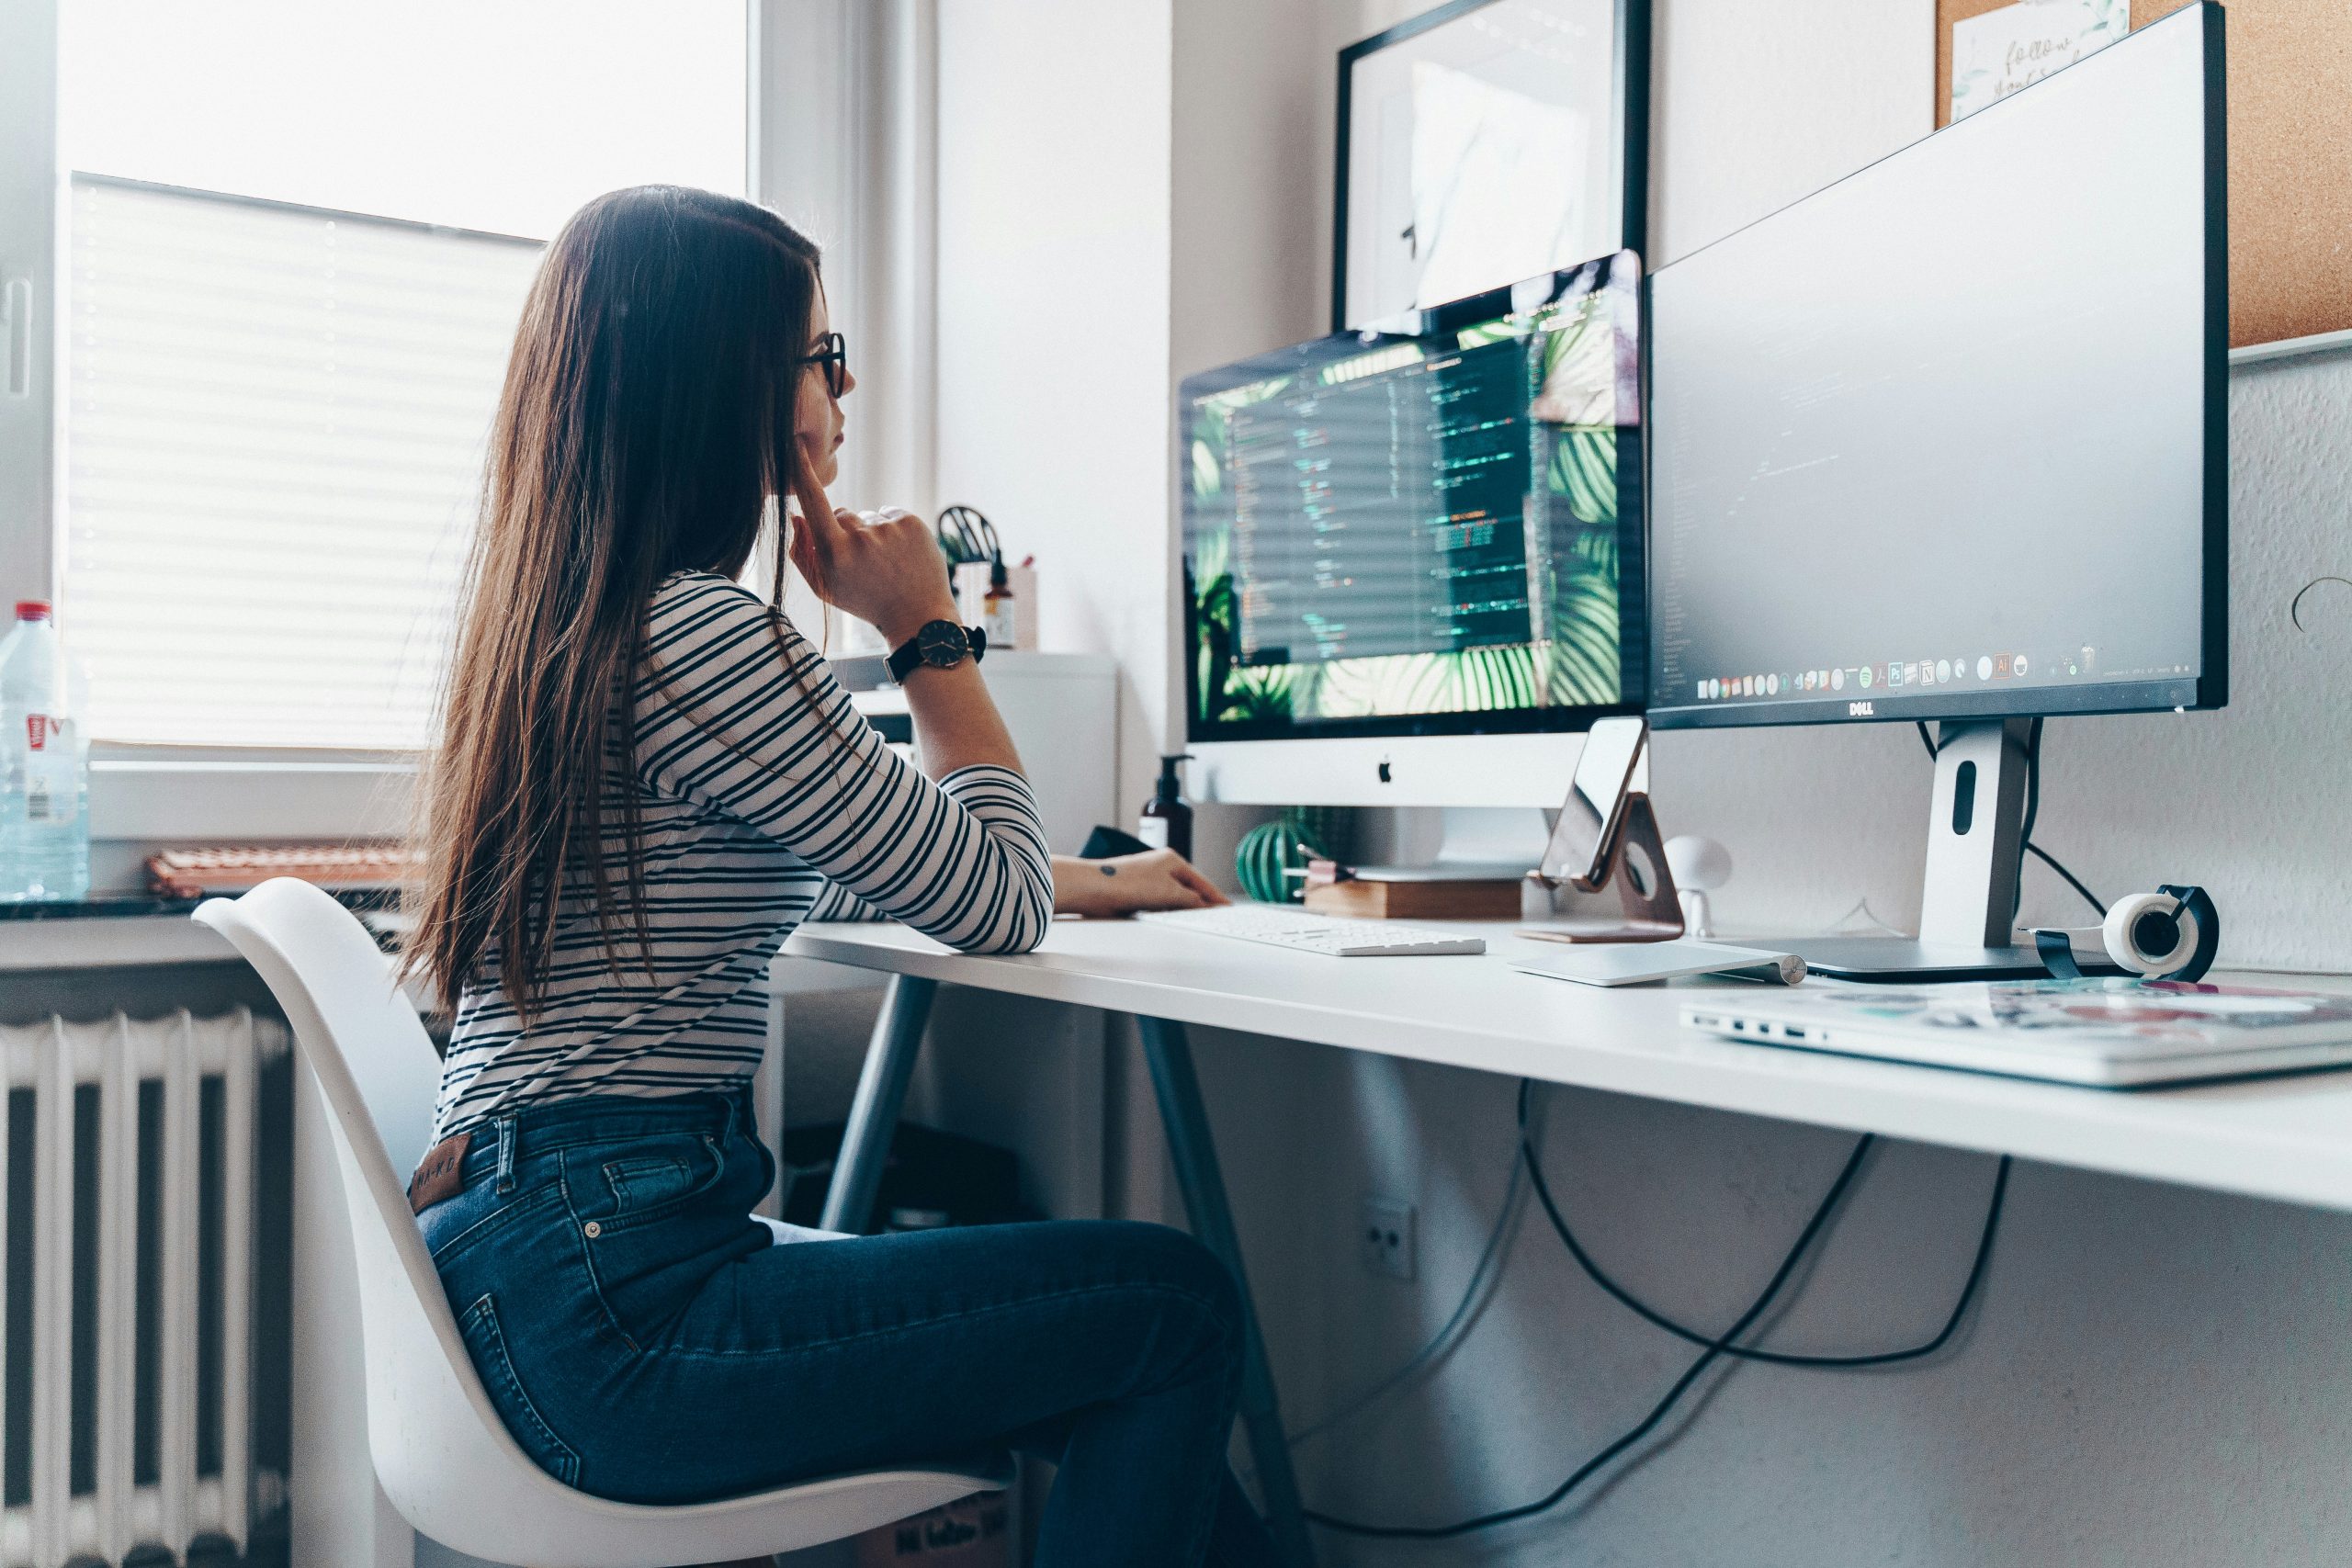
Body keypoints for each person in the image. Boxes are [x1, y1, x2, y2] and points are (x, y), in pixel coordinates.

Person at [401, 185, 1271, 1568]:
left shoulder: (574, 626)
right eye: (823, 352)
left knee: (1118, 1335)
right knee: (1170, 1310)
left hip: (531, 1272)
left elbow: (837, 863)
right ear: (733, 379)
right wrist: (928, 630)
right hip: (616, 1309)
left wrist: (1086, 878)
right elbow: (990, 908)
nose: (846, 385)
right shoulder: (703, 636)